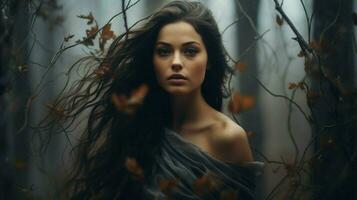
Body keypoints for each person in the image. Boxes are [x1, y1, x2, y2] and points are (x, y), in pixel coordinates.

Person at [53, 1, 263, 199]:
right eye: (164, 52)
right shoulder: (140, 127)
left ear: (209, 60)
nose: (176, 62)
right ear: (152, 60)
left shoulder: (227, 137)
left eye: (190, 51)